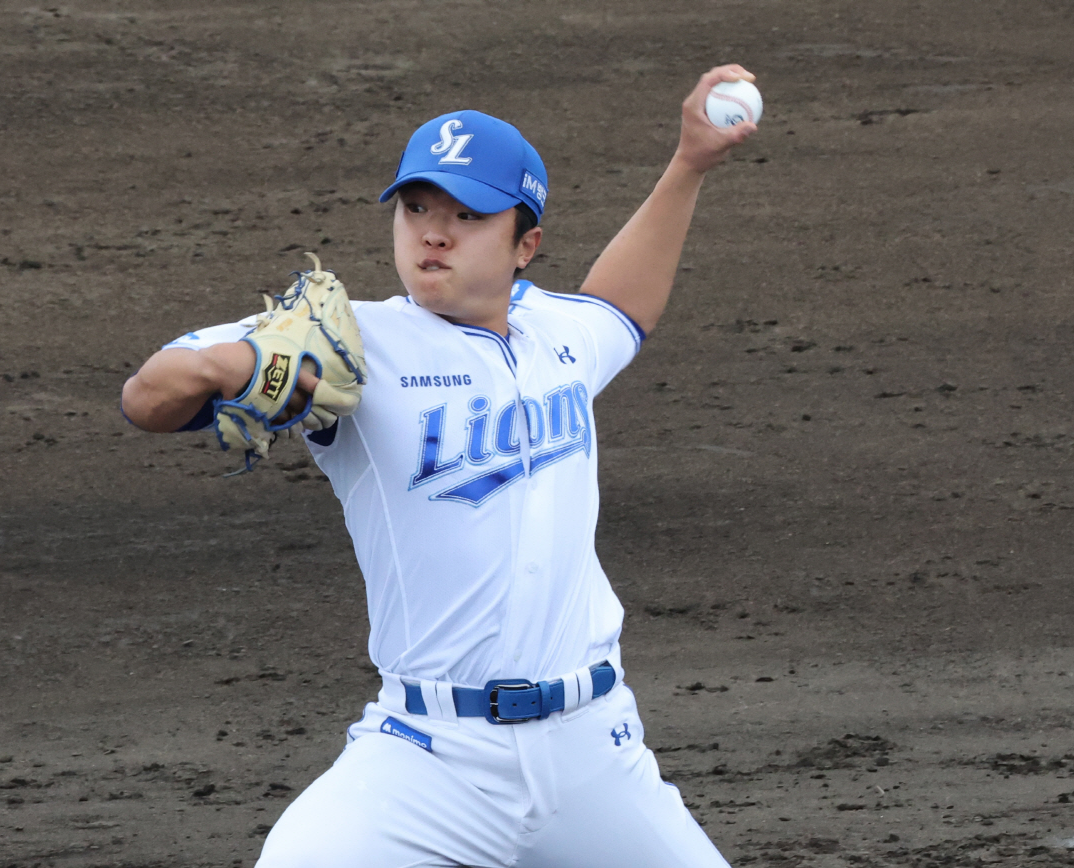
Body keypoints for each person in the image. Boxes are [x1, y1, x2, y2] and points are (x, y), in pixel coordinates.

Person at [122, 64, 756, 868]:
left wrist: (689, 163)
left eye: (468, 214)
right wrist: (230, 367)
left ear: (526, 244)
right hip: (429, 759)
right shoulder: (352, 342)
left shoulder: (558, 335)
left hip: (595, 754)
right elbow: (146, 397)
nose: (433, 232)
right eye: (416, 207)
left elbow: (621, 308)